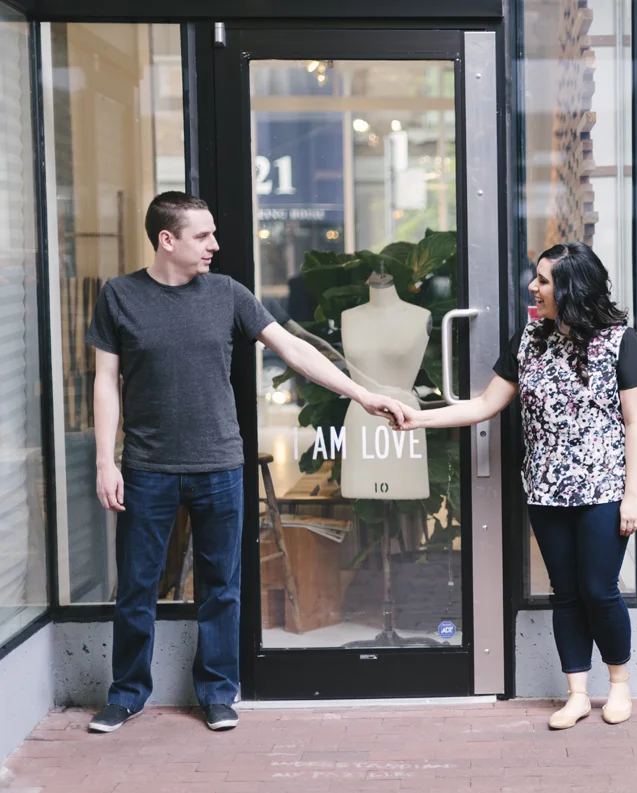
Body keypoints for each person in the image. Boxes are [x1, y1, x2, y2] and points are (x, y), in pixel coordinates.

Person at [86, 192, 415, 733]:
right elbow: (105, 382)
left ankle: (218, 692)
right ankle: (126, 694)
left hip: (219, 465)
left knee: (222, 585)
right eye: (203, 236)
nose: (215, 245)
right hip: (147, 468)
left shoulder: (227, 294)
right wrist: (106, 461)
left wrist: (360, 394)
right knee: (138, 586)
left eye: (214, 233)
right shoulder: (119, 296)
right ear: (167, 240)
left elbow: (295, 350)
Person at [398, 242, 637, 729]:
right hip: (545, 489)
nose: (533, 288)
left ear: (571, 288)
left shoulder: (621, 342)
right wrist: (418, 420)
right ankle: (576, 694)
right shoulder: (529, 339)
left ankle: (619, 685)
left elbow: (635, 424)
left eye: (543, 281)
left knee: (599, 589)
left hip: (604, 490)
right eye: (535, 278)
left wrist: (633, 494)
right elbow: (482, 405)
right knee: (565, 592)